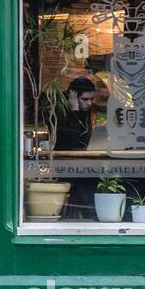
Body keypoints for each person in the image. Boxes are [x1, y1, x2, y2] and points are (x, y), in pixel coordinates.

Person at [53, 76, 96, 218]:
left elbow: (84, 138)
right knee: (88, 182)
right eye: (85, 99)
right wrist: (74, 111)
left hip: (80, 162)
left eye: (91, 99)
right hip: (64, 163)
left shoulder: (85, 112)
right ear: (73, 96)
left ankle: (85, 215)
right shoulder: (62, 111)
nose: (89, 103)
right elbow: (70, 138)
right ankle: (86, 215)